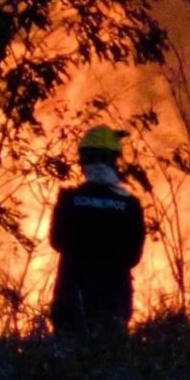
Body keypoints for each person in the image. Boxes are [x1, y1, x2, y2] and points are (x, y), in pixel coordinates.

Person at [49, 124, 145, 341]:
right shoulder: (129, 205)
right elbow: (133, 256)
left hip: (71, 297)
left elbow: (57, 241)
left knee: (69, 369)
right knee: (108, 366)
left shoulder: (69, 200)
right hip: (113, 301)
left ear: (82, 161)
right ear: (115, 159)